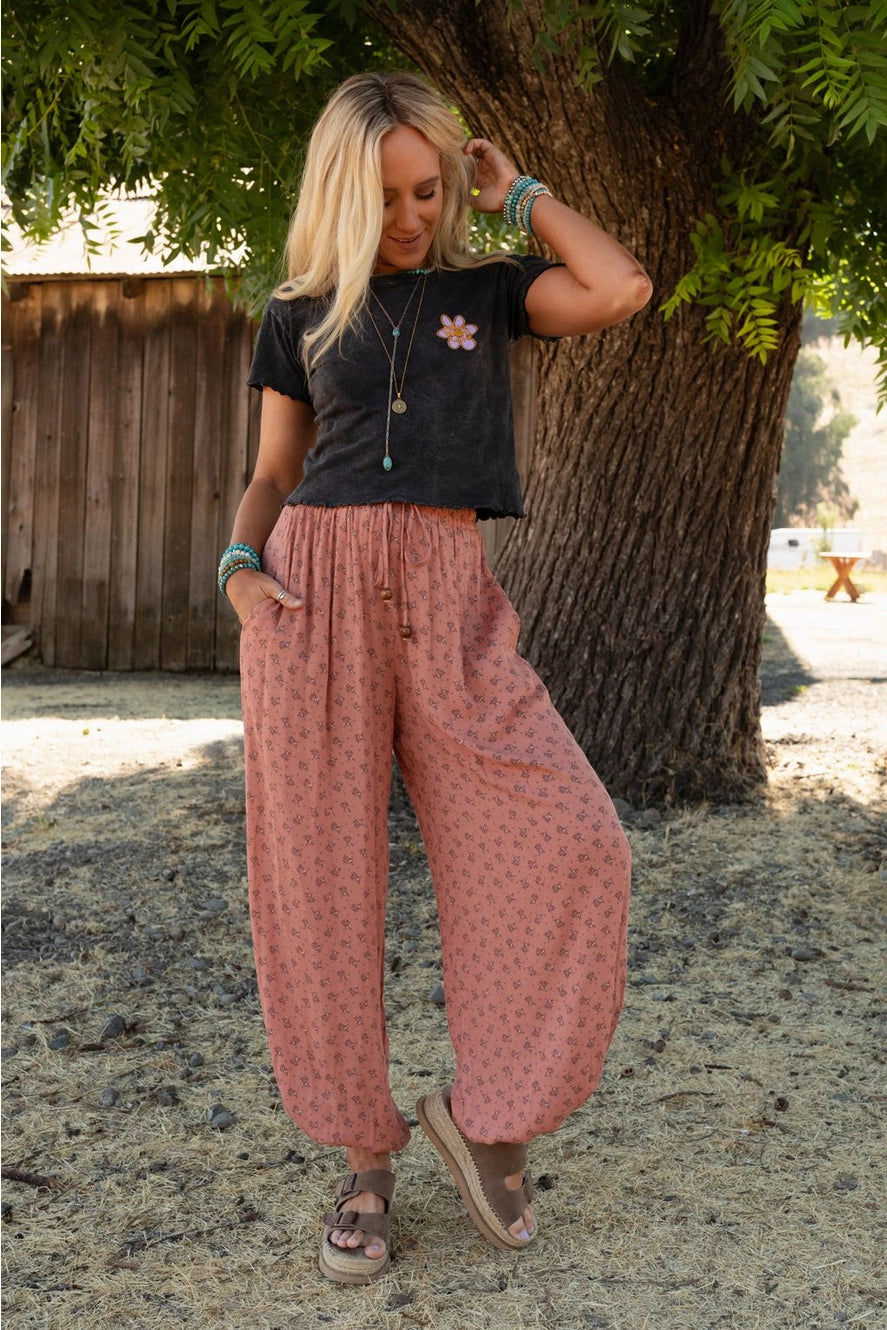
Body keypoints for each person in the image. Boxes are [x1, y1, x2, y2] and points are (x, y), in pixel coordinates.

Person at [219, 70, 651, 1285]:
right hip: (309, 593)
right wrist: (240, 568)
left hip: (448, 588)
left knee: (573, 838)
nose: (411, 216)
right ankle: (363, 1162)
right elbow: (273, 471)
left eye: (427, 190)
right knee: (317, 877)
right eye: (386, 195)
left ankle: (489, 1118)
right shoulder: (297, 312)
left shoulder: (489, 289)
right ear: (340, 193)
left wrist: (517, 194)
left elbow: (618, 286)